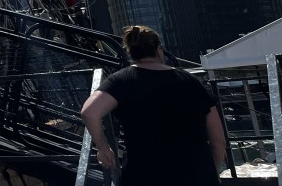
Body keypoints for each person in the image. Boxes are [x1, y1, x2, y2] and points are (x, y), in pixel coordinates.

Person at [80, 25, 225, 185]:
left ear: (130, 52)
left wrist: (103, 149)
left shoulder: (121, 81)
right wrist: (210, 173)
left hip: (144, 176)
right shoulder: (191, 82)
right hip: (196, 177)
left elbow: (89, 112)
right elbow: (218, 140)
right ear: (158, 49)